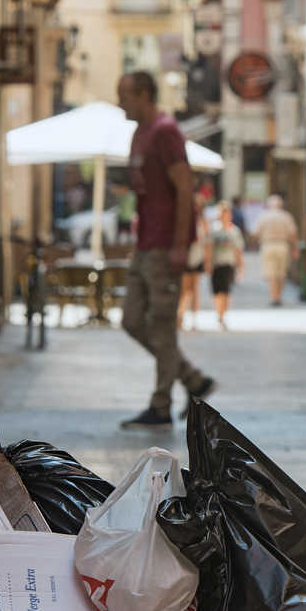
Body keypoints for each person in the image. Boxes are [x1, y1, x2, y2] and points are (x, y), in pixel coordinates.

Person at [115, 71, 216, 429]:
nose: (120, 103)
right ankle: (192, 380)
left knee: (162, 326)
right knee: (131, 320)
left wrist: (180, 245)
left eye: (124, 96)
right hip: (145, 244)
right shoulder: (139, 134)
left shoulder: (165, 131)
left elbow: (185, 190)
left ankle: (161, 406)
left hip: (165, 246)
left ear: (144, 95)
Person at [207, 201, 245, 330]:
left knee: (226, 291)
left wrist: (240, 266)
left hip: (229, 264)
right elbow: (209, 247)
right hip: (217, 263)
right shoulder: (214, 229)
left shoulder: (234, 231)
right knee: (217, 291)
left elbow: (238, 250)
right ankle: (219, 314)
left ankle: (223, 314)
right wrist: (208, 262)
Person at [255, 194, 299, 306]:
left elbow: (256, 232)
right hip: (282, 245)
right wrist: (295, 248)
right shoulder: (286, 216)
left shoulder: (264, 216)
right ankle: (278, 296)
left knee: (272, 273)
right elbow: (293, 233)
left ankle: (274, 297)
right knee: (281, 272)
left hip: (268, 245)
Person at [178, 207, 210, 330]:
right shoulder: (184, 222)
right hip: (186, 259)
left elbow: (207, 242)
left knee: (194, 290)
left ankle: (194, 319)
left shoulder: (202, 222)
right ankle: (181, 315)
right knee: (185, 290)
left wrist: (207, 260)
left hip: (197, 258)